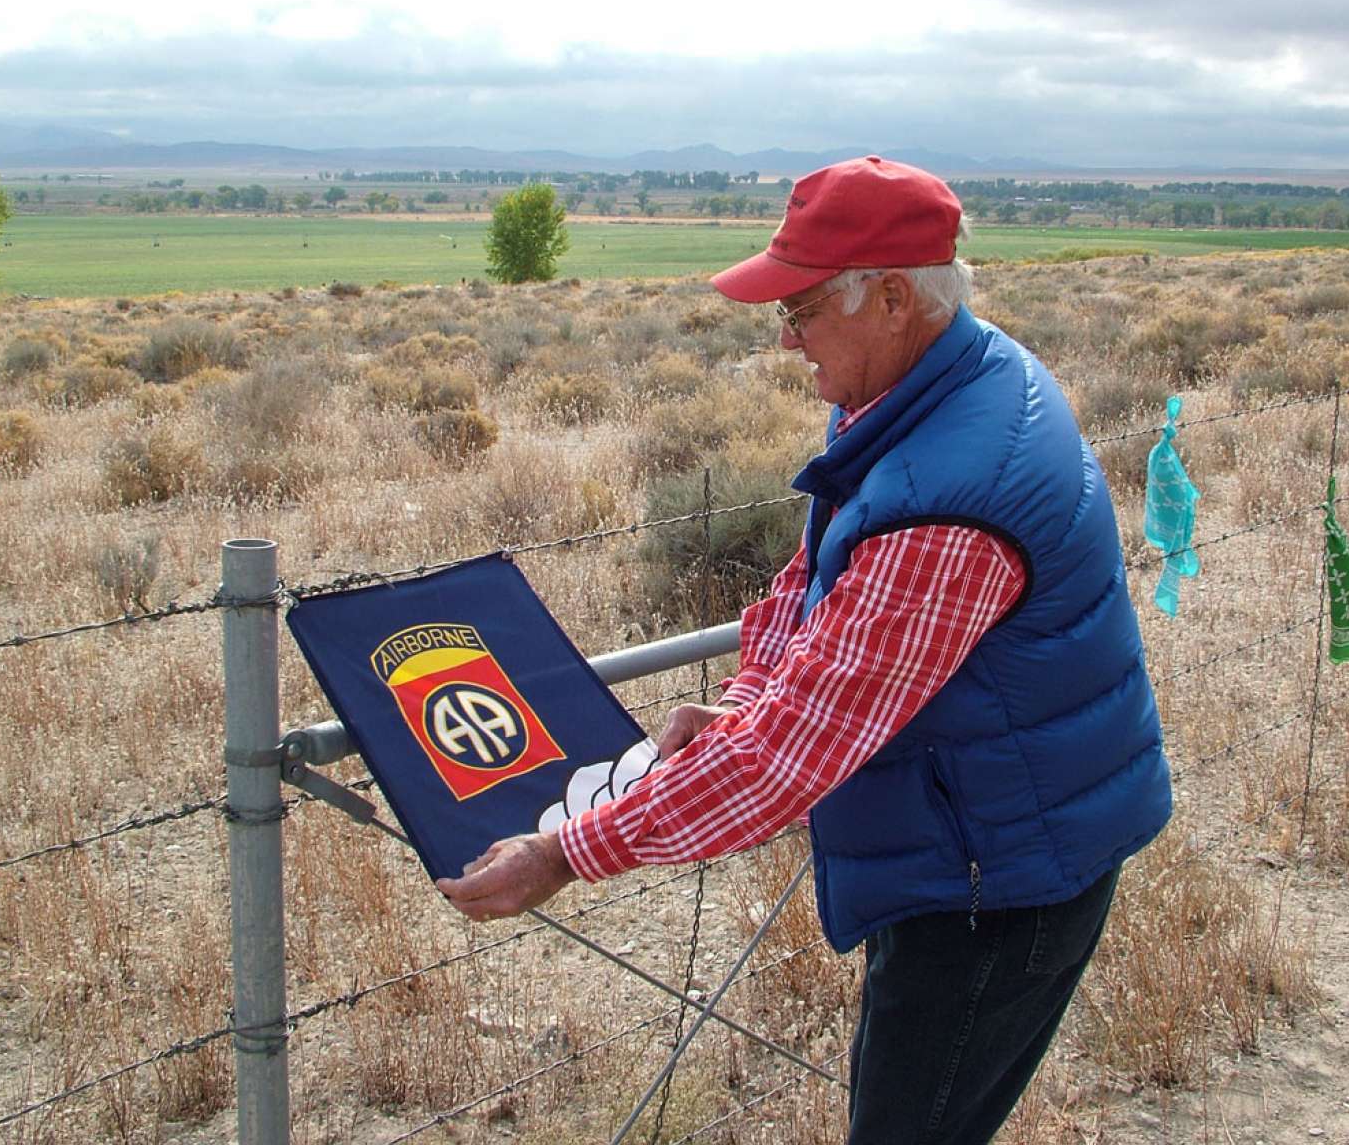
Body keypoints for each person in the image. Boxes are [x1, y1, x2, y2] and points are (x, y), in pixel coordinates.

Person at [438, 156, 1172, 1143]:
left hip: (996, 878)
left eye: (803, 309)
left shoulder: (949, 505)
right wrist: (749, 694)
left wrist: (565, 851)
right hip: (981, 826)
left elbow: (791, 759)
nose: (785, 338)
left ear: (897, 298)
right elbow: (815, 571)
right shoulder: (940, 380)